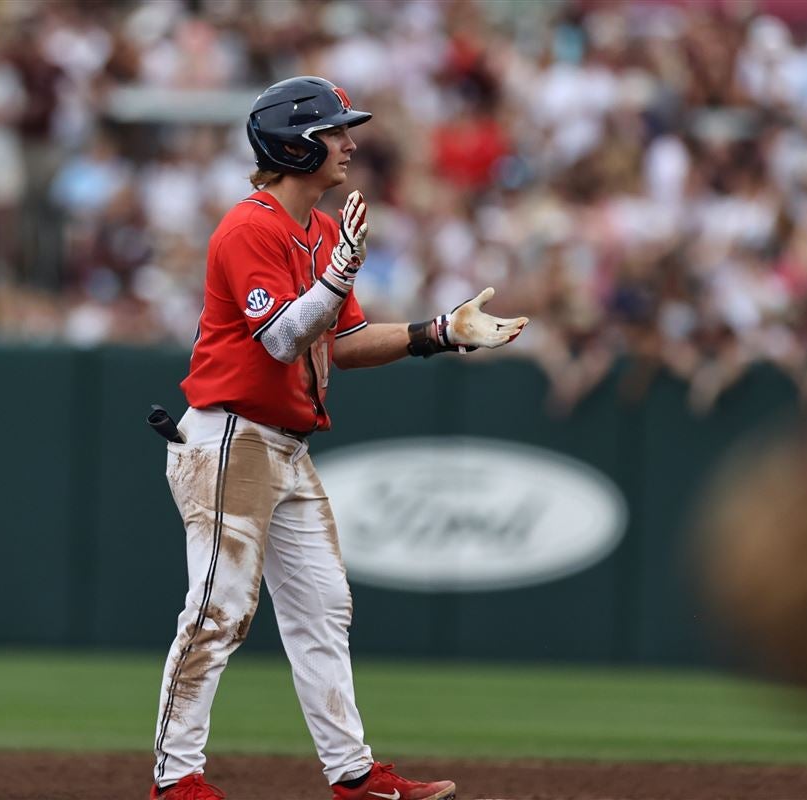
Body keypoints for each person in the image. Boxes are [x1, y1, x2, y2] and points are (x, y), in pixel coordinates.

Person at [150, 76, 528, 800]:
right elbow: (284, 337)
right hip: (231, 436)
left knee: (324, 607)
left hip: (283, 444)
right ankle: (176, 779)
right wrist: (342, 270)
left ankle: (353, 775)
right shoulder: (248, 226)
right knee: (218, 607)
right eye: (333, 131)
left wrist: (439, 331)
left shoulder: (322, 231)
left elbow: (345, 340)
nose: (349, 141)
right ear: (293, 144)